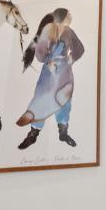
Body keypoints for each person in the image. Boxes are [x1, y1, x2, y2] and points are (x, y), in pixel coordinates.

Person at [17, 8, 85, 149]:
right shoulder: (48, 30)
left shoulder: (69, 31)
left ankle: (63, 133)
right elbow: (40, 52)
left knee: (64, 101)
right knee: (41, 100)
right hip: (49, 73)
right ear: (63, 16)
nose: (71, 16)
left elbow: (79, 48)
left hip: (65, 72)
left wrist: (72, 58)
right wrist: (48, 61)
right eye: (69, 14)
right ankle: (33, 134)